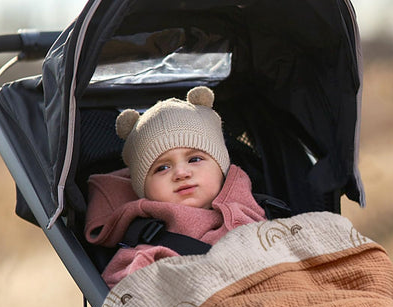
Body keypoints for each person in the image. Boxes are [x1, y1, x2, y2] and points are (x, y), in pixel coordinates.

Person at [84, 86, 267, 288]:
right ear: (142, 188)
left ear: (221, 167)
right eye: (162, 168)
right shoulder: (147, 248)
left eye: (195, 159)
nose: (181, 173)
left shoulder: (262, 211)